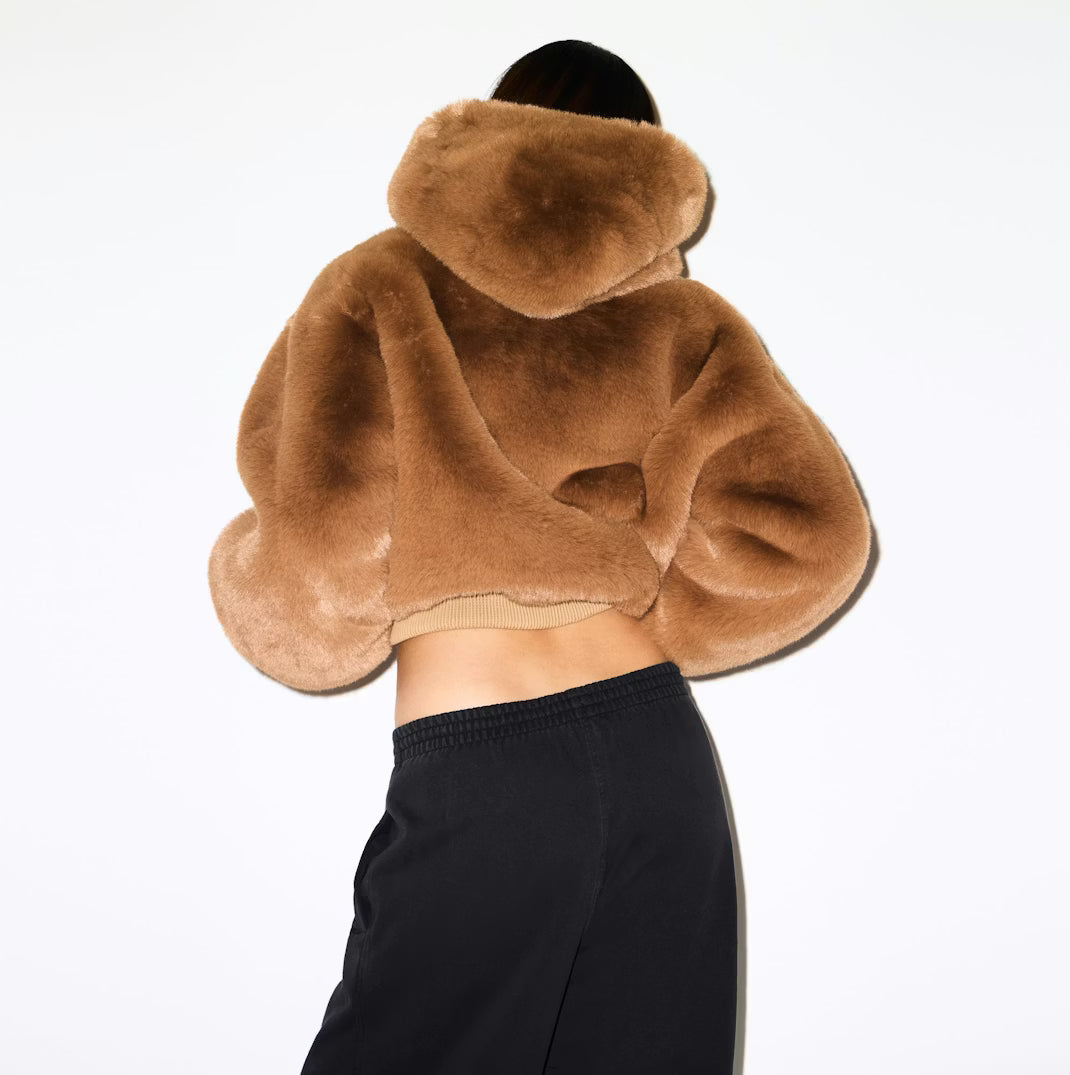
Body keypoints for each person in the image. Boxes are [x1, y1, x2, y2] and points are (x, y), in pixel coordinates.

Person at [208, 38, 871, 1075]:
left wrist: (253, 574)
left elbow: (318, 575)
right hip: (658, 760)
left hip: (489, 773)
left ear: (494, 128)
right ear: (641, 160)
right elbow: (808, 535)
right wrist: (630, 593)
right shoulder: (685, 322)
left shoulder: (380, 285)